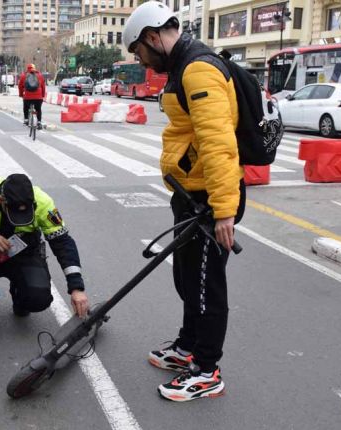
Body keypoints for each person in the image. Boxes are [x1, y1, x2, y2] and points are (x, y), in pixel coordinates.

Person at [122, 1, 245, 402]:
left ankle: (207, 371)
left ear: (153, 37)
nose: (141, 60)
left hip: (211, 201)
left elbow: (219, 143)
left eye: (139, 51)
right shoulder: (183, 67)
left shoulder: (198, 69)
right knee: (188, 279)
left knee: (206, 285)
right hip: (192, 195)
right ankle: (188, 346)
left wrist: (224, 209)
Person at [0, 174, 89, 317]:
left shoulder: (43, 202)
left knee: (38, 299)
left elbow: (62, 242)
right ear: (1, 200)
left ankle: (19, 293)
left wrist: (76, 287)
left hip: (24, 252)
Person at [18, 63, 46, 129]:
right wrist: (43, 95)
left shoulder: (23, 76)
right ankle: (39, 122)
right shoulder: (40, 75)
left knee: (26, 107)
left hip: (27, 97)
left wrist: (21, 94)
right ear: (34, 68)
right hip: (38, 97)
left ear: (27, 69)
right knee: (38, 109)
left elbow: (20, 86)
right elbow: (43, 87)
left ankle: (26, 120)